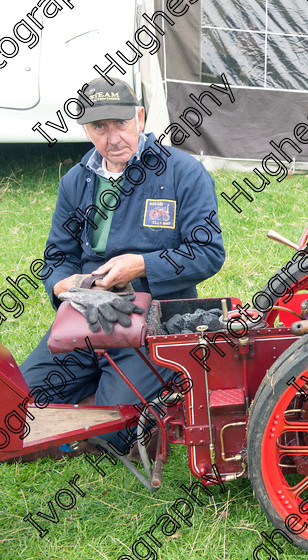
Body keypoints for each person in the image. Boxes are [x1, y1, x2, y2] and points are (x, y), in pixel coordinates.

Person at [19, 77, 225, 456]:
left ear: (141, 118)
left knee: (113, 433)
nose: (113, 138)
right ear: (86, 129)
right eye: (100, 127)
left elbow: (208, 251)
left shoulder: (183, 172)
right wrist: (68, 287)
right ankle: (98, 391)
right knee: (17, 407)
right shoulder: (75, 182)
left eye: (121, 124)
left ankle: (114, 402)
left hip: (151, 324)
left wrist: (140, 265)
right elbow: (57, 259)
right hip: (85, 317)